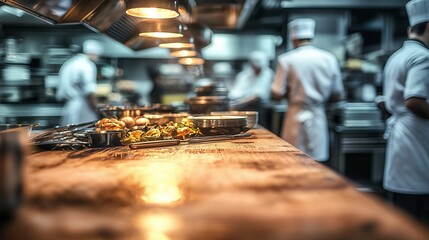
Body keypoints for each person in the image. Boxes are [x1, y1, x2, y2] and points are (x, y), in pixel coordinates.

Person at [271, 18, 344, 163]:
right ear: (311, 37)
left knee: (293, 160)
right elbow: (337, 94)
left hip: (294, 116)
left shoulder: (286, 59)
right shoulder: (328, 58)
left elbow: (277, 93)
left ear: (293, 38)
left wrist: (293, 94)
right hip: (318, 115)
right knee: (318, 162)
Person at [382, 0, 429, 222]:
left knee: (402, 206)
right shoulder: (422, 57)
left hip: (402, 134)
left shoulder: (397, 56)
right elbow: (413, 100)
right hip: (416, 136)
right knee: (416, 212)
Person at [56, 39, 104, 125]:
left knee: (69, 135)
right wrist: (99, 110)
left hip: (69, 107)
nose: (97, 58)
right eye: (97, 55)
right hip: (83, 109)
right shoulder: (87, 65)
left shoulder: (70, 62)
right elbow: (89, 92)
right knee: (84, 135)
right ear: (91, 53)